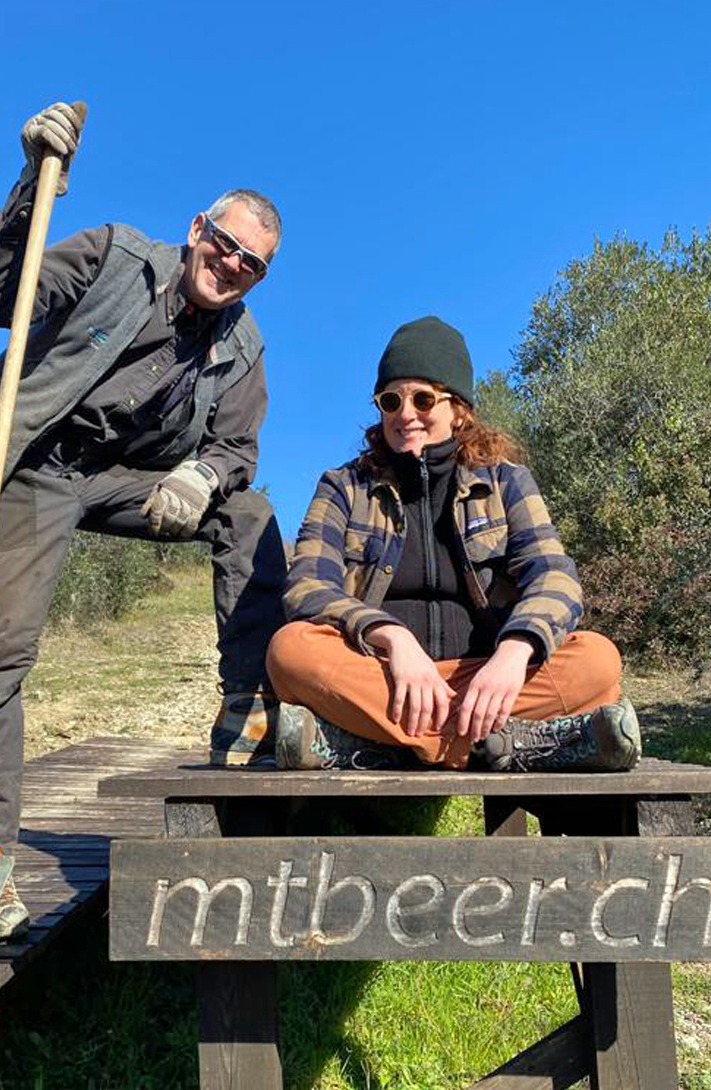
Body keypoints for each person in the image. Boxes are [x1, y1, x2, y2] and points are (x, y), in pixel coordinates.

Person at [0, 102, 287, 939]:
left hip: (112, 481)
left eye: (250, 264)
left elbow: (236, 449)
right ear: (197, 229)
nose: (230, 266)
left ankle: (245, 703)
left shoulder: (242, 348)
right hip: (23, 461)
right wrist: (31, 184)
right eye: (224, 244)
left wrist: (201, 476)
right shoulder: (113, 257)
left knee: (247, 511)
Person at [267, 316, 640, 772]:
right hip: (383, 678)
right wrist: (393, 638)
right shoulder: (344, 486)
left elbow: (554, 577)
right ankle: (504, 745)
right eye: (390, 401)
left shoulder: (506, 482)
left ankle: (374, 745)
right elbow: (307, 586)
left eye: (423, 398)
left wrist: (513, 652)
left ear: (459, 410)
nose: (405, 414)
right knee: (291, 652)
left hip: (486, 680)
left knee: (598, 661)